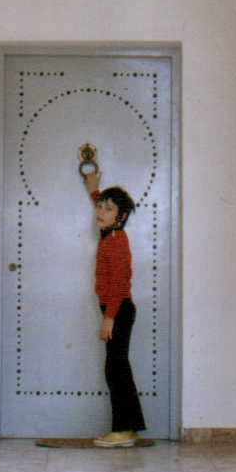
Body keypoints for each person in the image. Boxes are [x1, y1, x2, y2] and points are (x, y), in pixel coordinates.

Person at [83, 170, 146, 447]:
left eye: (108, 209)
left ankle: (121, 431)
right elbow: (106, 214)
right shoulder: (110, 234)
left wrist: (109, 318)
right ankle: (128, 429)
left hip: (118, 310)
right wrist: (94, 191)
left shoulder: (117, 240)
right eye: (99, 207)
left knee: (115, 370)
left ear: (120, 217)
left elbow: (119, 283)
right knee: (118, 368)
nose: (100, 212)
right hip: (116, 310)